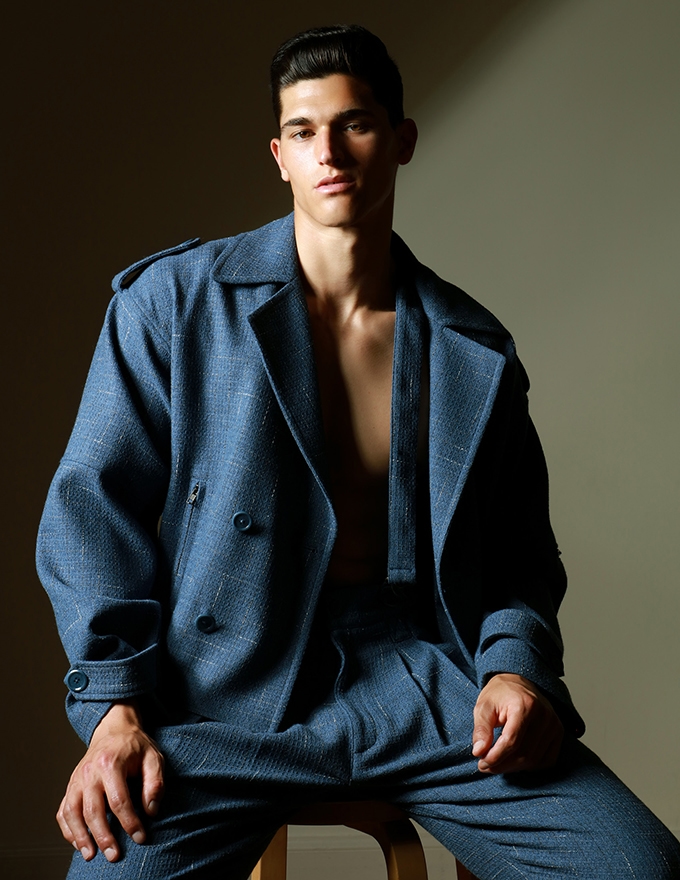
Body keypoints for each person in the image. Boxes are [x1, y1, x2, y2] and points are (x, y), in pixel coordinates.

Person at [37, 24, 680, 879]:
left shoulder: (471, 349)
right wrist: (116, 707)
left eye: (355, 124)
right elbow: (91, 507)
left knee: (640, 868)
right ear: (279, 156)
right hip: (218, 699)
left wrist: (516, 671)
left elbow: (521, 556)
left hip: (426, 691)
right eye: (303, 132)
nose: (329, 153)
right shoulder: (173, 304)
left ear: (402, 139)